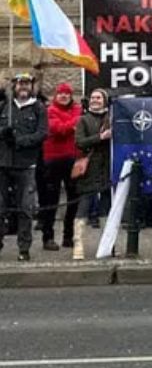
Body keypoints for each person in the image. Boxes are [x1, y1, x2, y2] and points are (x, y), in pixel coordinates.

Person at [1, 72, 47, 261]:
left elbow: (42, 133)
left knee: (25, 208)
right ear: (14, 86)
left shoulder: (38, 108)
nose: (23, 86)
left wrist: (20, 140)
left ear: (32, 86)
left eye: (27, 83)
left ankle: (24, 247)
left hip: (26, 163)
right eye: (20, 83)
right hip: (3, 162)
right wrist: (4, 132)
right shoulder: (4, 106)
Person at [35, 82, 81, 251]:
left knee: (73, 200)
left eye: (67, 94)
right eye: (61, 93)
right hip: (53, 160)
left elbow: (72, 125)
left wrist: (70, 124)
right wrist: (73, 124)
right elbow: (58, 129)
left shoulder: (76, 109)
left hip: (72, 159)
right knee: (51, 201)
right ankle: (48, 237)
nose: (63, 96)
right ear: (56, 95)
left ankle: (68, 236)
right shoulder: (49, 111)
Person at [74, 89, 111, 247]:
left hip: (107, 166)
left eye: (99, 98)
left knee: (107, 208)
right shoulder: (83, 120)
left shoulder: (111, 118)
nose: (95, 100)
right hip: (90, 167)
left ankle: (108, 245)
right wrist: (100, 137)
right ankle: (78, 244)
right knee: (84, 205)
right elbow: (80, 142)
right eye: (93, 97)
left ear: (105, 101)